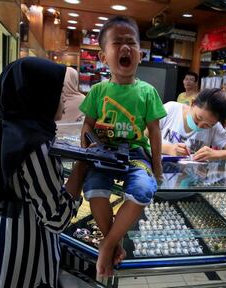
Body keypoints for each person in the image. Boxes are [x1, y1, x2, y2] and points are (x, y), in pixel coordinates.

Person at [0, 57, 82, 288]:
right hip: (22, 268)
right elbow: (57, 218)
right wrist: (84, 165)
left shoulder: (11, 129)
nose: (62, 97)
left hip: (0, 249)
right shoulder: (36, 146)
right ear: (38, 95)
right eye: (56, 90)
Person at [68, 16, 167, 277]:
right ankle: (116, 240)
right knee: (94, 189)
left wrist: (157, 166)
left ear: (140, 53)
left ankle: (108, 243)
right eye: (118, 43)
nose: (125, 48)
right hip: (104, 153)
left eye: (131, 43)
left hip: (136, 154)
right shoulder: (98, 91)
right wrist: (89, 152)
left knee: (144, 190)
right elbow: (87, 126)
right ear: (103, 56)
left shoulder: (148, 92)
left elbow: (155, 133)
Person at [160, 88, 226, 161]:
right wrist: (169, 149)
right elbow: (145, 137)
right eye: (198, 118)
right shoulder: (171, 110)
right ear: (192, 103)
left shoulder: (215, 127)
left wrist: (216, 154)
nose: (199, 126)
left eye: (208, 125)